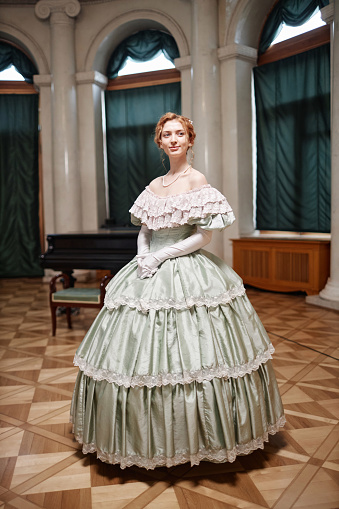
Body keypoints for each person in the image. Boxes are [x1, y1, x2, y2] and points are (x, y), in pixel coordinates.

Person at [70, 112, 285, 470]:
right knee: (136, 354)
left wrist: (163, 256)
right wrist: (143, 257)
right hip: (148, 268)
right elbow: (145, 229)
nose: (173, 140)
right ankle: (142, 438)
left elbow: (204, 236)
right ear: (160, 142)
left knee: (197, 353)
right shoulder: (155, 185)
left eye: (179, 134)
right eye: (167, 134)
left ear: (190, 140)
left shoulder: (197, 180)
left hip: (188, 269)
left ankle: (203, 437)